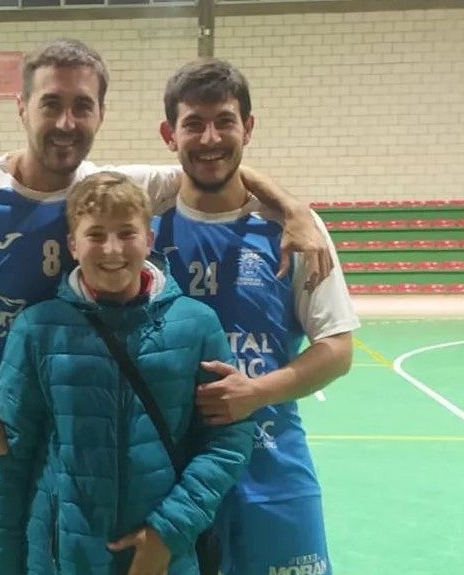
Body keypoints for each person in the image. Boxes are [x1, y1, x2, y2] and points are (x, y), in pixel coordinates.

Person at [0, 39, 328, 575]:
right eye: (51, 103)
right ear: (22, 107)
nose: (66, 122)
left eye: (82, 106)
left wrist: (293, 208)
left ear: (101, 114)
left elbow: (210, 161)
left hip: (64, 450)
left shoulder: (104, 189)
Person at [0, 171, 255, 575]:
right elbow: (8, 465)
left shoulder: (197, 325)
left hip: (165, 559)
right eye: (95, 235)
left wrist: (168, 531)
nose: (111, 249)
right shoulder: (37, 329)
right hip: (61, 559)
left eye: (127, 233)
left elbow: (227, 441)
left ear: (149, 239)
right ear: (73, 245)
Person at [153, 58, 361, 575]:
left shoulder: (294, 230)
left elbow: (337, 349)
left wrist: (256, 392)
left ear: (248, 127)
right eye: (193, 124)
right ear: (169, 135)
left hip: (272, 472)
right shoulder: (142, 231)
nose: (210, 138)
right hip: (168, 481)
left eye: (224, 121)